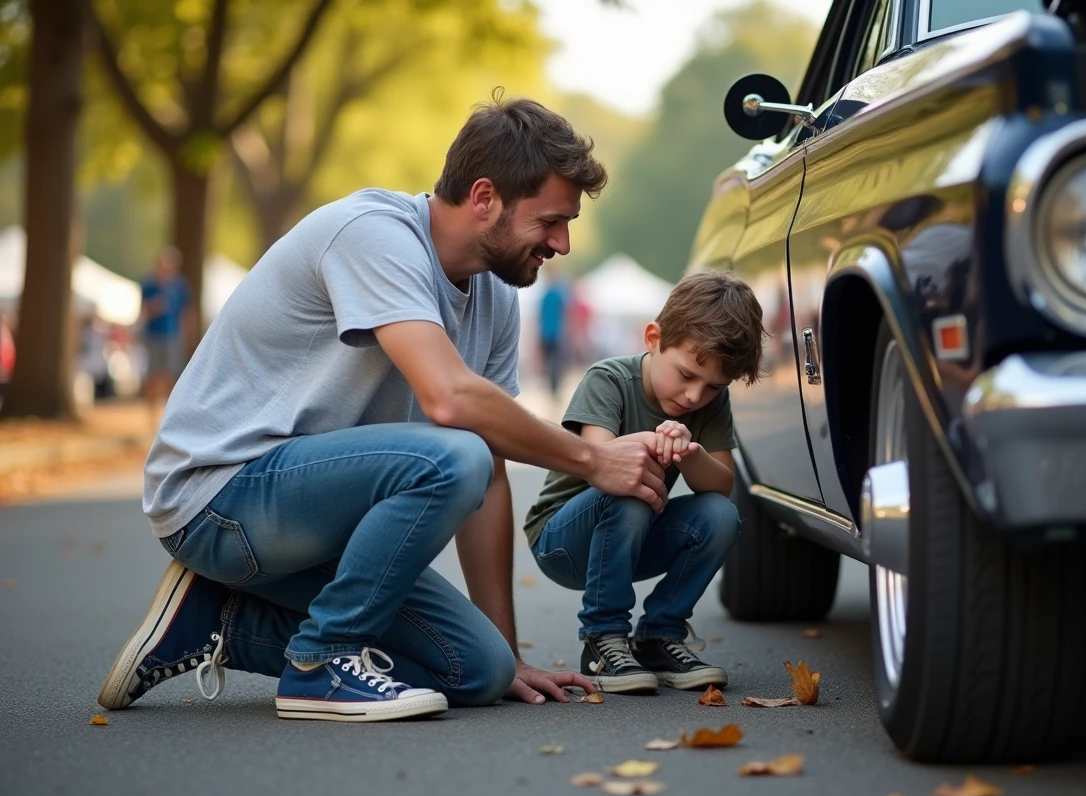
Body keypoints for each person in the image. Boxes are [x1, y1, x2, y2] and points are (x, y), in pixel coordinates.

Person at [97, 94, 669, 723]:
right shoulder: (373, 233)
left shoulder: (497, 295)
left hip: (314, 523)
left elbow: (491, 471)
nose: (562, 243)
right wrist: (592, 459)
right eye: (551, 221)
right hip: (219, 500)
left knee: (479, 671)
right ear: (484, 197)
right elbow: (449, 399)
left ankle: (216, 623)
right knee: (455, 452)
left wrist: (509, 654)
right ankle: (320, 663)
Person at [523, 272, 766, 693]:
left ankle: (659, 636)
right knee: (631, 483)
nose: (695, 396)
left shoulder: (709, 401)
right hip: (563, 540)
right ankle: (602, 638)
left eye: (713, 387)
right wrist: (652, 441)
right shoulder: (609, 379)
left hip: (633, 537)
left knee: (721, 514)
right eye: (686, 375)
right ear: (654, 338)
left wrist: (692, 452)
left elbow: (721, 486)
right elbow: (600, 458)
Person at [139, 246, 193, 424]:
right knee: (153, 376)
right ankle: (151, 418)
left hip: (173, 336)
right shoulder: (149, 286)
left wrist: (188, 335)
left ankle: (168, 417)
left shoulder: (180, 286)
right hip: (154, 336)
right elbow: (143, 311)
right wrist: (155, 306)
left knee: (172, 377)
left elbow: (186, 312)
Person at [537, 262, 570, 401]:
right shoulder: (559, 294)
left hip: (546, 332)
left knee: (550, 362)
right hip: (556, 333)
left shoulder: (546, 294)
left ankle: (552, 389)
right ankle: (555, 389)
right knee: (556, 362)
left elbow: (540, 315)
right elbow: (565, 313)